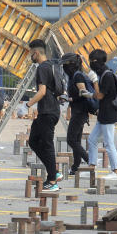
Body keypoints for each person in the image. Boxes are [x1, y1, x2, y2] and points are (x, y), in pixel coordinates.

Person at [24, 39, 61, 192]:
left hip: (48, 111)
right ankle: (54, 171)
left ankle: (52, 181)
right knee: (33, 141)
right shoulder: (52, 65)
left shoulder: (42, 68)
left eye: (30, 54)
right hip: (48, 110)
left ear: (36, 53)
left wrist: (27, 104)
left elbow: (42, 92)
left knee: (47, 144)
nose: (30, 57)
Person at [86, 48, 117, 181]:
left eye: (92, 61)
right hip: (103, 114)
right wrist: (90, 93)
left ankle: (116, 171)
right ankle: (91, 168)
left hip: (109, 114)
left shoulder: (107, 75)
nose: (91, 64)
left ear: (99, 61)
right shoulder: (103, 74)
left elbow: (100, 95)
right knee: (92, 139)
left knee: (108, 143)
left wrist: (94, 83)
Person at [62, 53, 94, 178]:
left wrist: (70, 99)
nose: (63, 68)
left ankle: (90, 161)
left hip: (80, 112)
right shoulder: (73, 76)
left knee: (71, 140)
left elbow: (83, 92)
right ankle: (75, 166)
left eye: (65, 65)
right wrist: (68, 98)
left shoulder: (78, 76)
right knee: (76, 140)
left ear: (71, 65)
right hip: (77, 111)